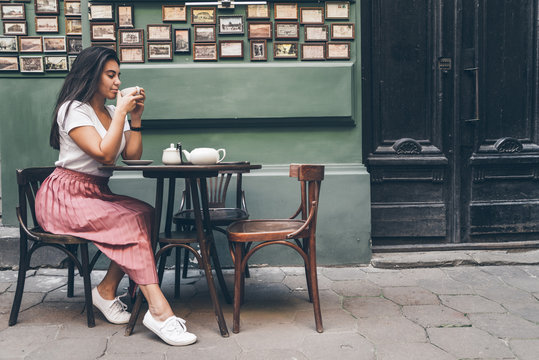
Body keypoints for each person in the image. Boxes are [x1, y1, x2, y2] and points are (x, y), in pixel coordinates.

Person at [34, 47, 196, 346]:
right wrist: (121, 111)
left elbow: (132, 156)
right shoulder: (72, 109)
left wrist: (134, 119)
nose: (118, 82)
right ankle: (159, 311)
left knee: (144, 213)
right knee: (130, 220)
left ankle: (106, 291)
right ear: (91, 75)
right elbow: (106, 155)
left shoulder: (110, 112)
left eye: (119, 75)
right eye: (111, 75)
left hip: (95, 193)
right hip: (65, 198)